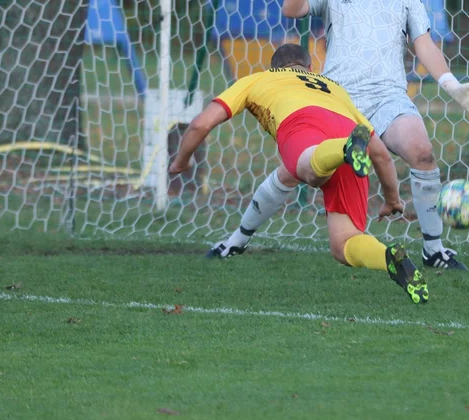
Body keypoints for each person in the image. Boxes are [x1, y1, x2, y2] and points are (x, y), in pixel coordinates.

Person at [210, 0, 469, 270]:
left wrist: (452, 85)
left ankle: (434, 250)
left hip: (389, 98)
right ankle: (237, 240)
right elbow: (291, 9)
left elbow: (424, 46)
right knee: (293, 172)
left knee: (422, 153)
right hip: (338, 100)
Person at [170, 43, 429, 304]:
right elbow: (381, 154)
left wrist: (180, 162)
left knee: (310, 172)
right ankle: (388, 258)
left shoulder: (258, 79)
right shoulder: (333, 87)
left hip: (306, 127)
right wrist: (392, 199)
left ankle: (344, 148)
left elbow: (201, 124)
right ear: (310, 68)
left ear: (274, 68)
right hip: (345, 131)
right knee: (343, 243)